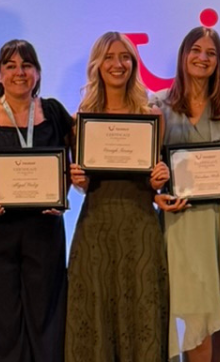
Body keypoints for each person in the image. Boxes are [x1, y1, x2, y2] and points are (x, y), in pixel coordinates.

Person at [0, 40, 71, 362]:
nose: (19, 72)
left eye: (27, 65)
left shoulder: (55, 113)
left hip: (43, 229)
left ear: (37, 72)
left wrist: (62, 196)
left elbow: (72, 167)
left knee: (45, 314)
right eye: (11, 66)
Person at [64, 32, 170, 362]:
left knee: (142, 307)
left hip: (140, 225)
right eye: (109, 57)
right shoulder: (80, 120)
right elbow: (81, 182)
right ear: (97, 65)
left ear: (134, 64)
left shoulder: (152, 115)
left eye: (125, 57)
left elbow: (158, 182)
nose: (117, 64)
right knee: (94, 310)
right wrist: (77, 178)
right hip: (97, 223)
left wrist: (161, 178)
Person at [148, 27, 220, 362]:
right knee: (193, 315)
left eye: (211, 53)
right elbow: (147, 167)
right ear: (183, 55)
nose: (202, 58)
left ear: (219, 62)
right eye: (196, 50)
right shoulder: (158, 105)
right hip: (183, 224)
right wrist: (154, 192)